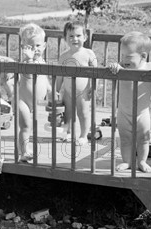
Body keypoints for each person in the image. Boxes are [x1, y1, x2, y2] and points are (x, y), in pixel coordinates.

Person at [107, 32, 151, 172]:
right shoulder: (121, 69)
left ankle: (142, 161)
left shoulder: (150, 67)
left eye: (128, 56)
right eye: (122, 55)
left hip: (142, 114)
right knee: (125, 140)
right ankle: (127, 162)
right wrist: (114, 65)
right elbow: (113, 67)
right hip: (123, 112)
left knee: (144, 140)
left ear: (143, 56)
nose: (123, 59)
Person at [55, 22, 98, 145]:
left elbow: (96, 73)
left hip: (83, 91)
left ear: (85, 37)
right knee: (68, 113)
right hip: (67, 90)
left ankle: (83, 135)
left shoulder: (89, 54)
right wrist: (56, 91)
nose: (75, 39)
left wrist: (93, 88)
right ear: (65, 39)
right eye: (71, 36)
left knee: (83, 113)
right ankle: (68, 133)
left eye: (78, 36)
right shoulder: (63, 56)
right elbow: (59, 76)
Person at [17, 23, 51, 162]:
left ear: (44, 46)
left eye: (38, 46)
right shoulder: (25, 61)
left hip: (35, 103)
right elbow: (28, 71)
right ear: (23, 48)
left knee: (32, 127)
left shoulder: (42, 62)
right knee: (25, 127)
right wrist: (29, 58)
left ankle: (25, 148)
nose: (34, 49)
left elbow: (45, 80)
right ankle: (23, 152)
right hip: (23, 101)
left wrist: (50, 90)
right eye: (30, 47)